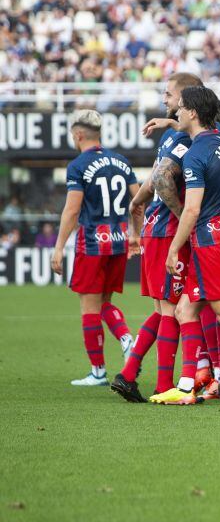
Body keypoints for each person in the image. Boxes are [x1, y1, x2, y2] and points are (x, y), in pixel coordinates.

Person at [154, 86, 220, 406]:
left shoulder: (195, 153)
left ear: (192, 112)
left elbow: (191, 209)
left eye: (181, 108)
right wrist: (170, 125)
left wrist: (174, 248)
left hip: (210, 240)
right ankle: (187, 387)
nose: (176, 111)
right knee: (185, 309)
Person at [112, 73, 203, 403]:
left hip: (155, 231)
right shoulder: (187, 141)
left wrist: (137, 218)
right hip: (168, 233)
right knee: (173, 311)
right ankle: (164, 383)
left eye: (168, 95)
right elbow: (163, 179)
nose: (164, 99)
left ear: (185, 101)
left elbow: (150, 185)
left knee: (162, 309)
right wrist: (184, 220)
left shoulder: (172, 137)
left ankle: (129, 371)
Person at [51, 109, 141, 387]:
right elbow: (138, 201)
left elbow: (72, 209)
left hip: (91, 243)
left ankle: (99, 371)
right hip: (118, 241)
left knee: (89, 308)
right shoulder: (121, 161)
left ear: (78, 135)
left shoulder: (78, 165)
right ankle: (127, 340)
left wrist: (57, 248)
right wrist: (136, 235)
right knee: (105, 304)